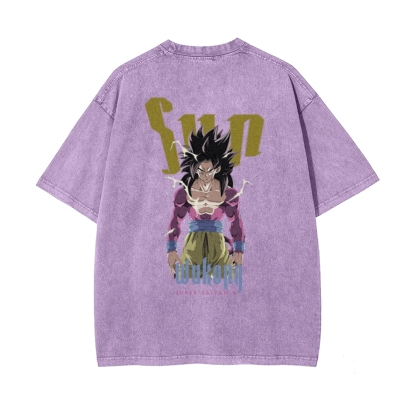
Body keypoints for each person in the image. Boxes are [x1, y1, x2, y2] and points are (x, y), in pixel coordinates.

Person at [166, 125, 246, 279]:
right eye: (201, 170)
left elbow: (236, 223)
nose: (205, 175)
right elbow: (175, 221)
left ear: (217, 168)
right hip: (193, 243)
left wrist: (238, 250)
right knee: (184, 276)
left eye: (210, 171)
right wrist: (171, 250)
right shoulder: (185, 193)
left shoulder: (227, 194)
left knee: (226, 276)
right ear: (195, 168)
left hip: (217, 244)